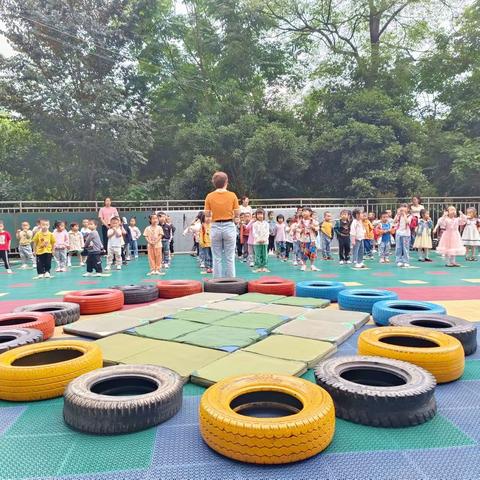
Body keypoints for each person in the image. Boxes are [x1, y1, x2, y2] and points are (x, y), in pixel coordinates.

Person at [204, 172, 240, 278]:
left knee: (217, 257)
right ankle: (231, 281)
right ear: (226, 182)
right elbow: (237, 213)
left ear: (214, 183)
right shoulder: (232, 195)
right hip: (229, 225)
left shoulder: (209, 196)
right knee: (230, 257)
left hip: (215, 226)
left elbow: (207, 214)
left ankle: (217, 282)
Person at [295, 207, 320, 272]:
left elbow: (318, 228)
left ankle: (312, 265)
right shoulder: (300, 221)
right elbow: (296, 229)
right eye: (303, 211)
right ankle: (304, 264)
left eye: (306, 211)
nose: (304, 213)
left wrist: (313, 227)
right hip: (303, 240)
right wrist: (301, 230)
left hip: (312, 240)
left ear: (310, 213)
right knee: (303, 253)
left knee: (312, 252)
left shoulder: (313, 221)